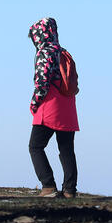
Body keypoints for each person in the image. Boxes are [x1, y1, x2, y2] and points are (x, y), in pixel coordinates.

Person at [28, 17, 79, 198]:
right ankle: (70, 190)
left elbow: (42, 82)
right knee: (66, 149)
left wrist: (34, 103)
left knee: (35, 146)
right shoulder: (64, 52)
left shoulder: (45, 52)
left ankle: (48, 185)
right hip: (68, 106)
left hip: (50, 106)